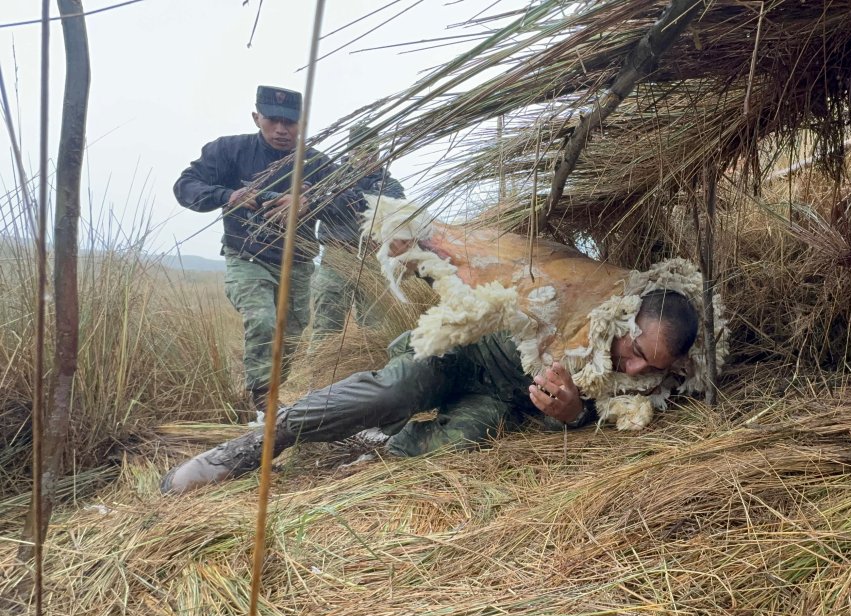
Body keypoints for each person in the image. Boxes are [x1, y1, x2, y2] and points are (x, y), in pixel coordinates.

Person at [160, 289, 699, 494]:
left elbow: (596, 419)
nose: (629, 365)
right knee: (396, 391)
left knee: (461, 442)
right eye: (632, 348)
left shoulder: (645, 385)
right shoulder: (584, 295)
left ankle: (379, 444)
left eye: (645, 365)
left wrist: (573, 413)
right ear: (628, 317)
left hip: (497, 397)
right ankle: (246, 449)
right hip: (462, 355)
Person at [174, 85, 361, 419]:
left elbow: (353, 202)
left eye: (290, 122)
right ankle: (264, 406)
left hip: (299, 264)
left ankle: (274, 400)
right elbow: (185, 186)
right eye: (272, 120)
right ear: (256, 117)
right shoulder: (229, 150)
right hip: (247, 256)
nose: (281, 129)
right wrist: (228, 196)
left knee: (290, 335)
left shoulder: (316, 163)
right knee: (262, 319)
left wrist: (309, 199)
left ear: (302, 123)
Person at [310, 123, 407, 341]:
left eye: (371, 150)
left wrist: (350, 200)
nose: (366, 157)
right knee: (326, 330)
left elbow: (397, 213)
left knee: (376, 330)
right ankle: (318, 373)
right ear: (350, 150)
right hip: (337, 257)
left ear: (379, 151)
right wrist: (365, 202)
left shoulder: (390, 185)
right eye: (360, 150)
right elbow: (325, 207)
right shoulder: (330, 178)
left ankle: (369, 371)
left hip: (373, 260)